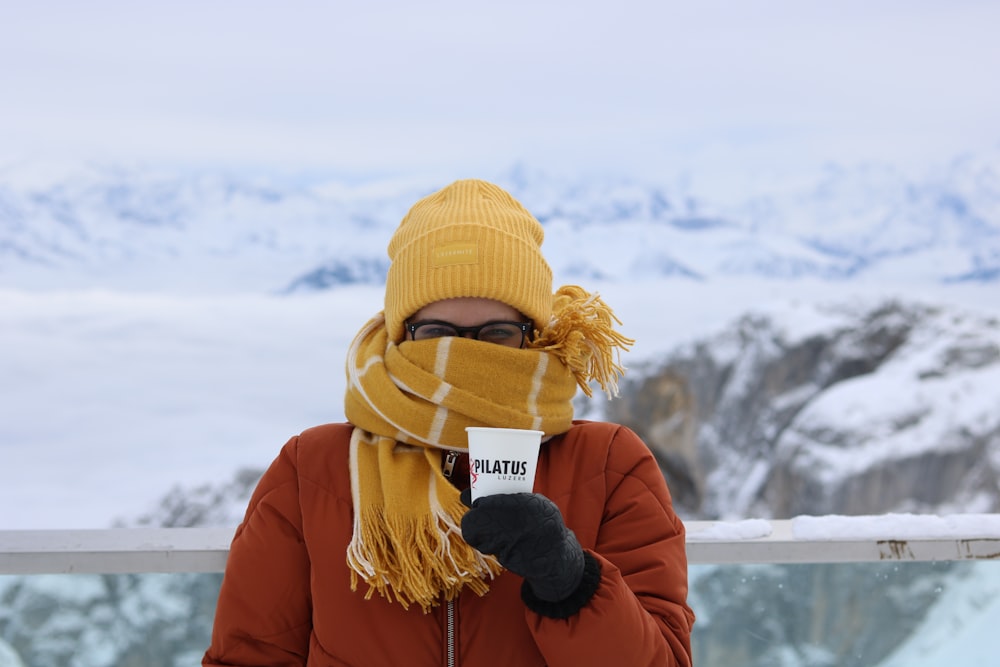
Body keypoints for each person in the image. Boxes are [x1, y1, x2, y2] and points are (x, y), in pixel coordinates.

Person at [203, 179, 695, 666]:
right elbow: (249, 656)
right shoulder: (311, 469)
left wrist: (574, 583)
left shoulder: (610, 466)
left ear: (535, 337)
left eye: (496, 333)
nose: (465, 357)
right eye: (436, 333)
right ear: (401, 334)